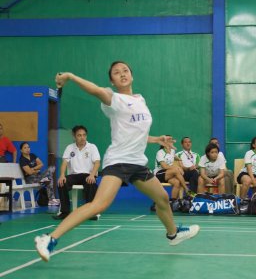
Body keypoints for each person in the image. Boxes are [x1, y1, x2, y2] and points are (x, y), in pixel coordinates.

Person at [35, 61, 200, 262]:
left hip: (138, 164)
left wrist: (157, 139)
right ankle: (49, 239)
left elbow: (136, 132)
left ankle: (173, 234)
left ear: (132, 75)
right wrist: (70, 76)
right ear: (112, 81)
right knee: (98, 205)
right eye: (116, 72)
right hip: (119, 161)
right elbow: (95, 90)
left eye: (125, 71)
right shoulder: (113, 99)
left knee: (162, 199)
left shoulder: (140, 99)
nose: (122, 74)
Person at [54, 125, 101, 220]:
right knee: (61, 183)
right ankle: (65, 212)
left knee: (91, 183)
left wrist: (92, 175)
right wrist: (62, 175)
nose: (82, 137)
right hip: (73, 175)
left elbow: (97, 163)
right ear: (74, 136)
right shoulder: (69, 147)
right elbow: (64, 163)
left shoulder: (92, 147)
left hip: (88, 175)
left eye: (84, 135)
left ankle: (91, 213)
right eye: (79, 135)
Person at [19, 142, 59, 206]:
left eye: (28, 147)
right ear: (21, 150)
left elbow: (41, 164)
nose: (27, 149)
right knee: (49, 179)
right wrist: (36, 170)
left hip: (38, 176)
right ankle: (52, 199)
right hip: (30, 179)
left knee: (52, 168)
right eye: (25, 148)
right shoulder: (22, 160)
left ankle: (44, 179)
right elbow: (29, 172)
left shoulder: (32, 155)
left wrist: (33, 169)